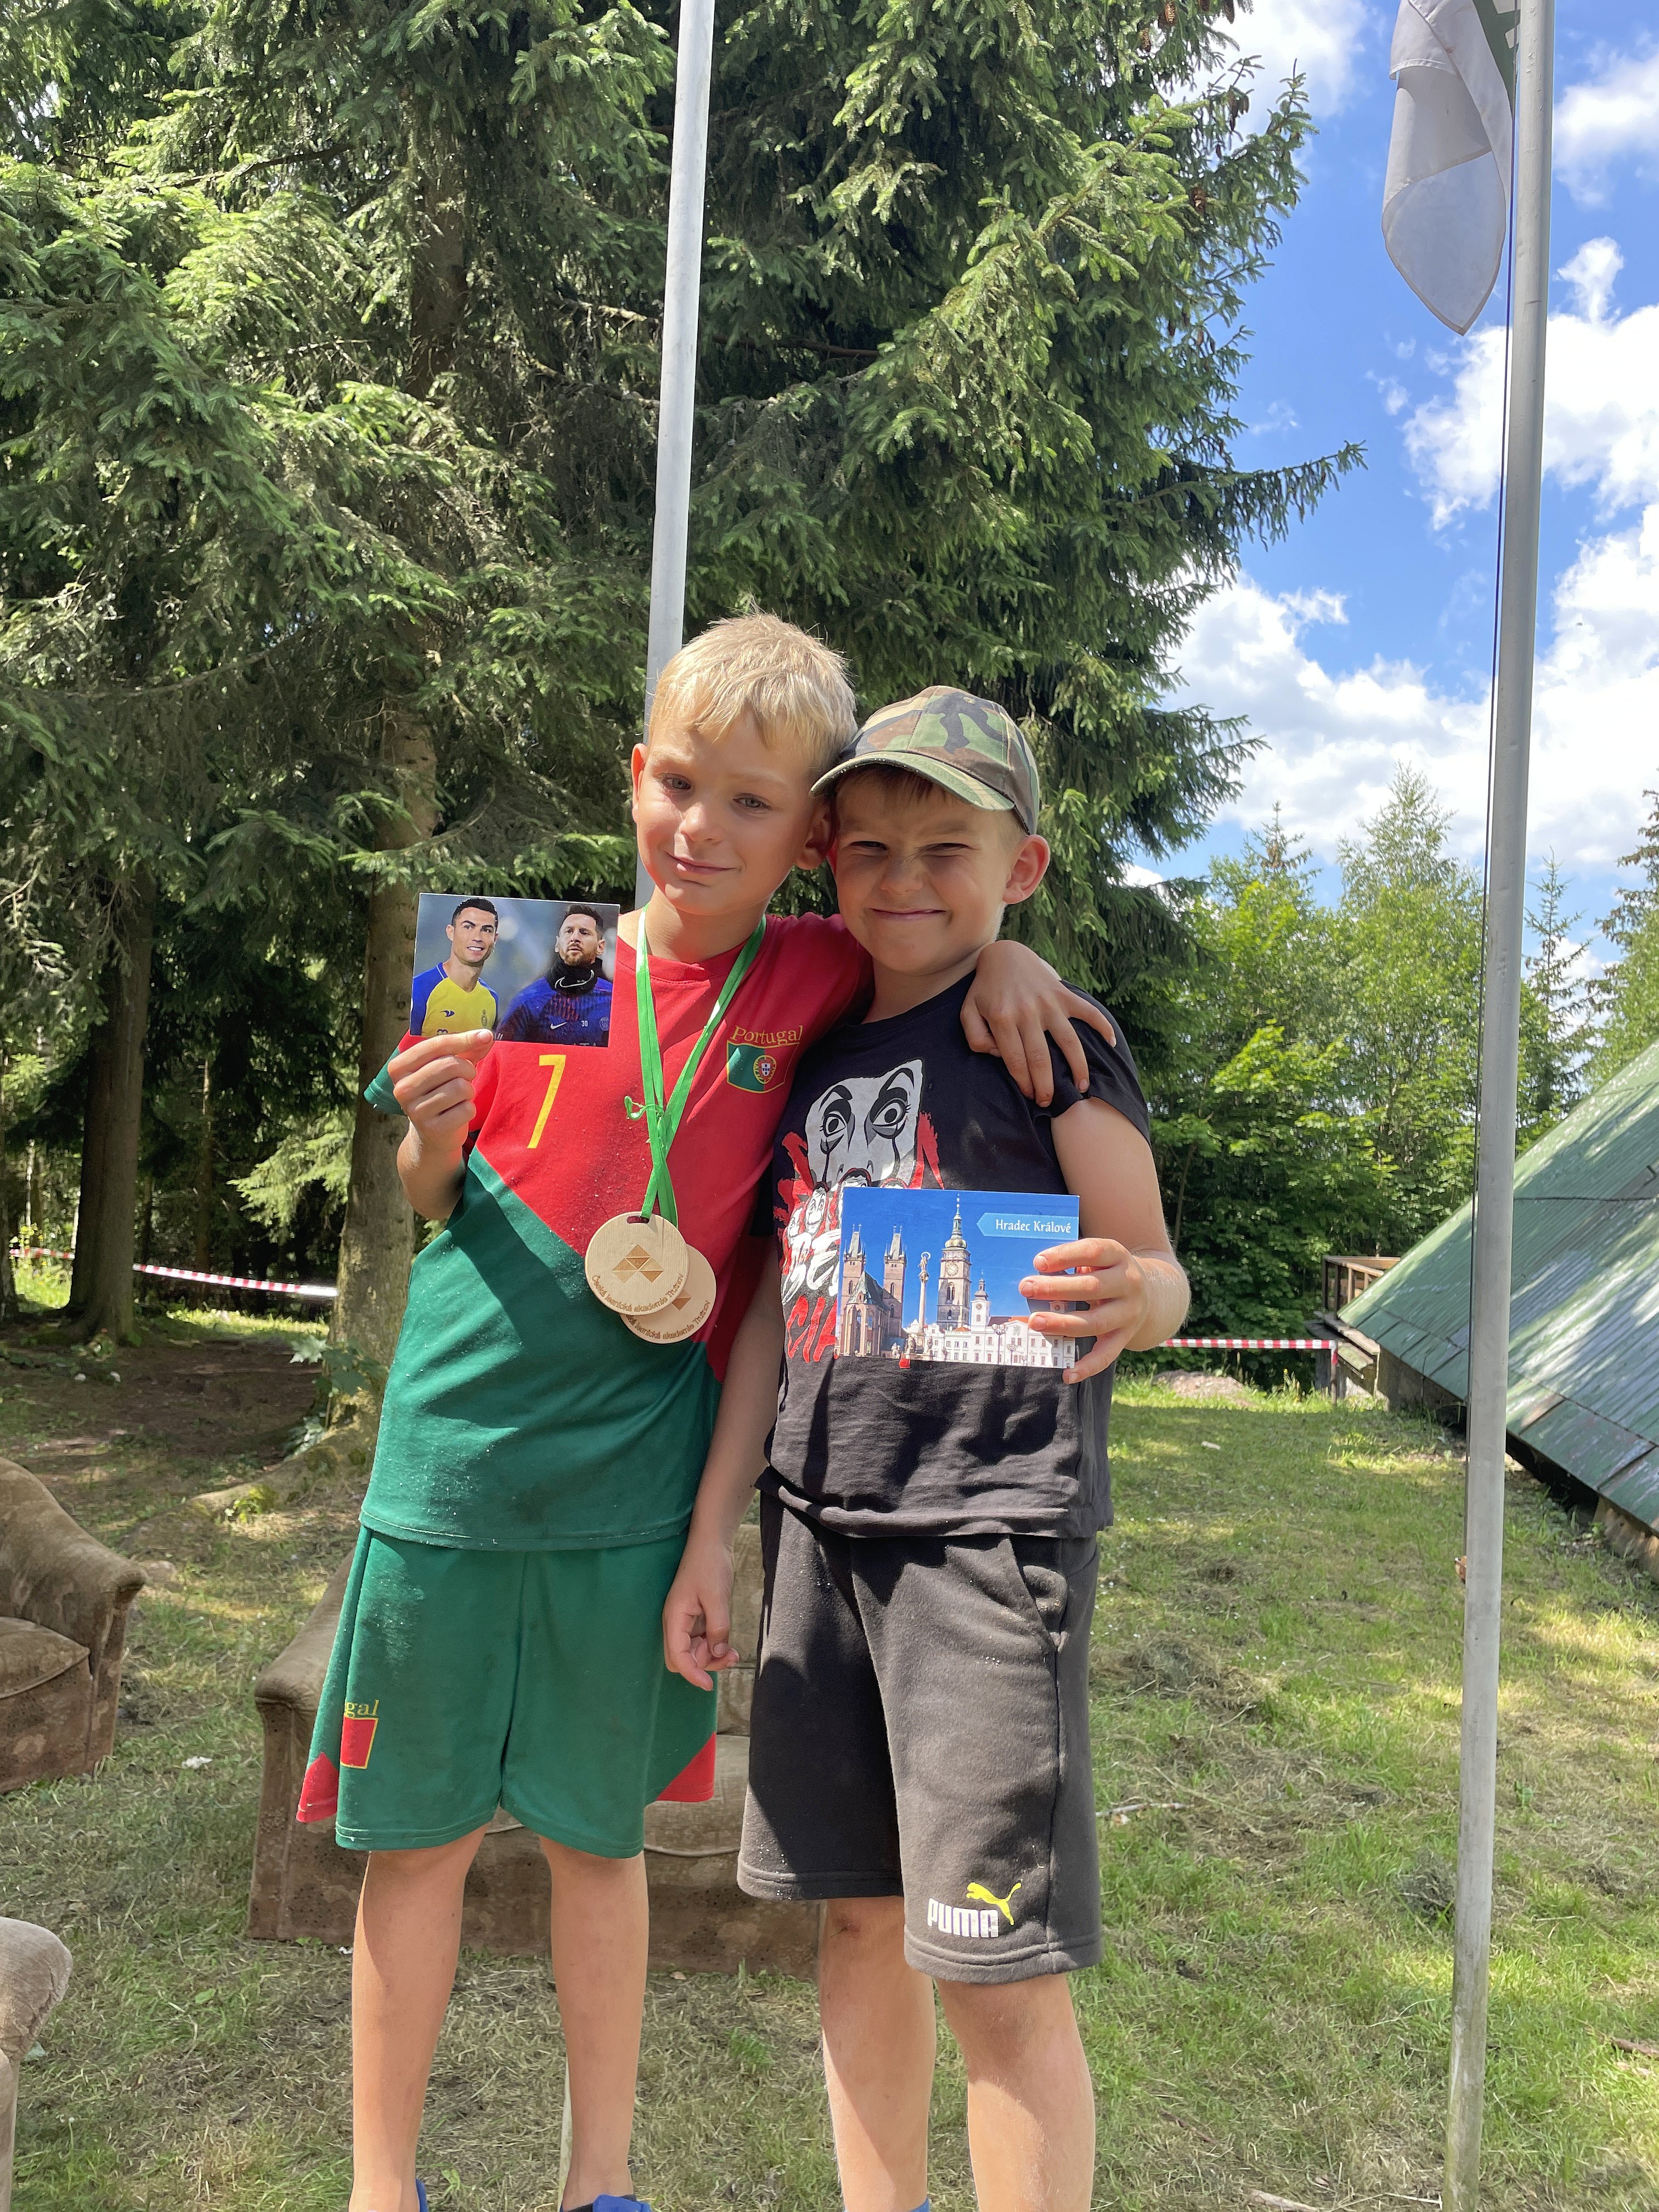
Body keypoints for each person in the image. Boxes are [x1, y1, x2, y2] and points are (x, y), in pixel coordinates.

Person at [297, 620, 1117, 2212]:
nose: (702, 827)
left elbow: (938, 943)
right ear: (636, 779)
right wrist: (426, 1141)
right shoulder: (529, 966)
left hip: (636, 1493)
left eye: (753, 803)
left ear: (806, 837)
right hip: (451, 1477)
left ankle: (600, 2183)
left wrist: (1017, 960)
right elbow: (436, 1197)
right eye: (680, 784)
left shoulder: (812, 973)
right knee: (420, 1846)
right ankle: (380, 2190)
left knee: (598, 1842)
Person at [664, 688, 1193, 2212]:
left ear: (1020, 869)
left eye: (945, 849)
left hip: (985, 1546)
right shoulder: (811, 1053)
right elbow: (773, 1315)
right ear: (827, 856)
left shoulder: (1050, 1041)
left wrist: (1140, 1295)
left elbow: (1158, 1264)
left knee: (991, 1967)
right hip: (815, 1542)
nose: (903, 879)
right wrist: (715, 1531)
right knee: (853, 1926)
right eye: (871, 847)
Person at [497, 903, 614, 1045]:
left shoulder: (614, 1000)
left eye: (584, 933)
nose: (575, 938)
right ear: (557, 944)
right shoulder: (527, 1002)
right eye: (569, 931)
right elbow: (503, 1056)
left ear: (600, 947)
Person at [410, 899, 500, 1035]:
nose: (477, 937)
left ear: (495, 939)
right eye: (468, 927)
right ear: (451, 932)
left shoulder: (491, 998)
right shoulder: (419, 989)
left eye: (487, 930)